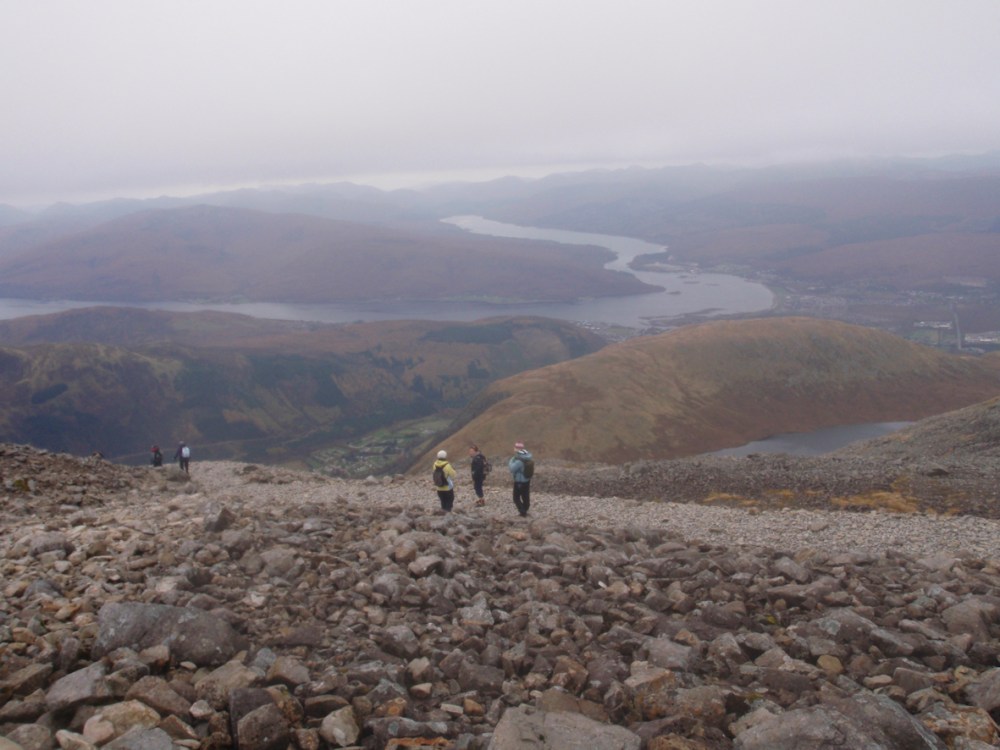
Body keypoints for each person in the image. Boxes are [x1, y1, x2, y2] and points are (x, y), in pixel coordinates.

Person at [508, 441, 533, 517]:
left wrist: (511, 461)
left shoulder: (519, 460)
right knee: (525, 495)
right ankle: (525, 508)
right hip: (527, 480)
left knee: (516, 497)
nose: (514, 448)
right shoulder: (528, 457)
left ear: (517, 449)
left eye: (515, 447)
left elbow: (512, 469)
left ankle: (522, 512)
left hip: (519, 481)